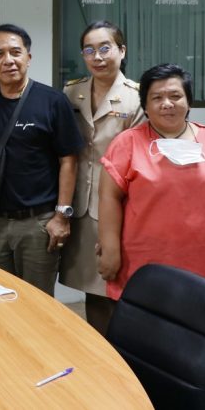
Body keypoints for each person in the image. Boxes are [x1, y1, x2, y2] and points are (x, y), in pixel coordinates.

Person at [98, 64, 205, 299]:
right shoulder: (127, 143)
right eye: (157, 97)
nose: (167, 104)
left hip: (204, 261)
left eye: (175, 96)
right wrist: (110, 249)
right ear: (145, 106)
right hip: (143, 262)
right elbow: (108, 197)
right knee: (144, 318)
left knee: (198, 317)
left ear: (189, 102)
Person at [0, 24, 83, 296]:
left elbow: (69, 160)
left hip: (38, 223)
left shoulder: (53, 101)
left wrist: (61, 216)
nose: (9, 60)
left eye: (16, 52)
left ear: (28, 57)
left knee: (37, 301)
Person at [60, 21, 144, 333]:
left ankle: (125, 352)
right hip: (80, 206)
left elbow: (138, 158)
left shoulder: (136, 98)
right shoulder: (72, 92)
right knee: (92, 287)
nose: (97, 57)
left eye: (105, 48)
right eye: (89, 50)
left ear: (122, 51)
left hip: (120, 205)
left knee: (121, 288)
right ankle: (101, 350)